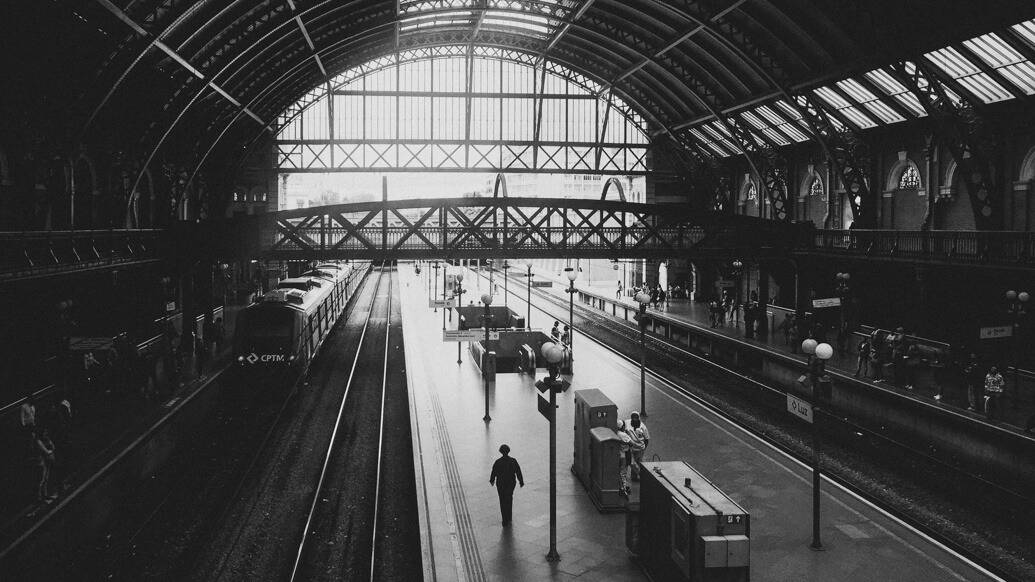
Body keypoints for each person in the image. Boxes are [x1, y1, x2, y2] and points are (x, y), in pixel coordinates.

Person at [489, 444, 524, 526]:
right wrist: (521, 481)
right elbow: (518, 471)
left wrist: (492, 480)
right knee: (509, 498)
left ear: (500, 451)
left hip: (501, 483)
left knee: (502, 500)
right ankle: (509, 516)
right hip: (511, 483)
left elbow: (493, 472)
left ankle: (504, 519)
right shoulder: (513, 461)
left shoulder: (498, 462)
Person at [33, 428, 58, 504]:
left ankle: (45, 496)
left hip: (44, 460)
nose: (45, 434)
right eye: (44, 433)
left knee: (45, 478)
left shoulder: (44, 440)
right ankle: (41, 498)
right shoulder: (38, 441)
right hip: (40, 461)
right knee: (42, 479)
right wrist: (49, 451)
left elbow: (53, 447)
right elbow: (46, 451)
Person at [624, 411, 650, 481]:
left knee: (638, 463)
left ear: (638, 419)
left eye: (636, 418)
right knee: (632, 463)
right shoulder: (627, 423)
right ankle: (639, 476)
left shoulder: (643, 427)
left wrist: (643, 448)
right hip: (631, 448)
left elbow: (647, 439)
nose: (634, 420)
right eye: (633, 418)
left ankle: (636, 477)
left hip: (640, 449)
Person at [616, 420, 633, 497]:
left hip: (618, 453)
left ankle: (620, 485)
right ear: (622, 426)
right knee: (623, 471)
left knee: (619, 470)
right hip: (625, 454)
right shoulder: (623, 435)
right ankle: (623, 488)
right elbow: (631, 443)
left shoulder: (616, 433)